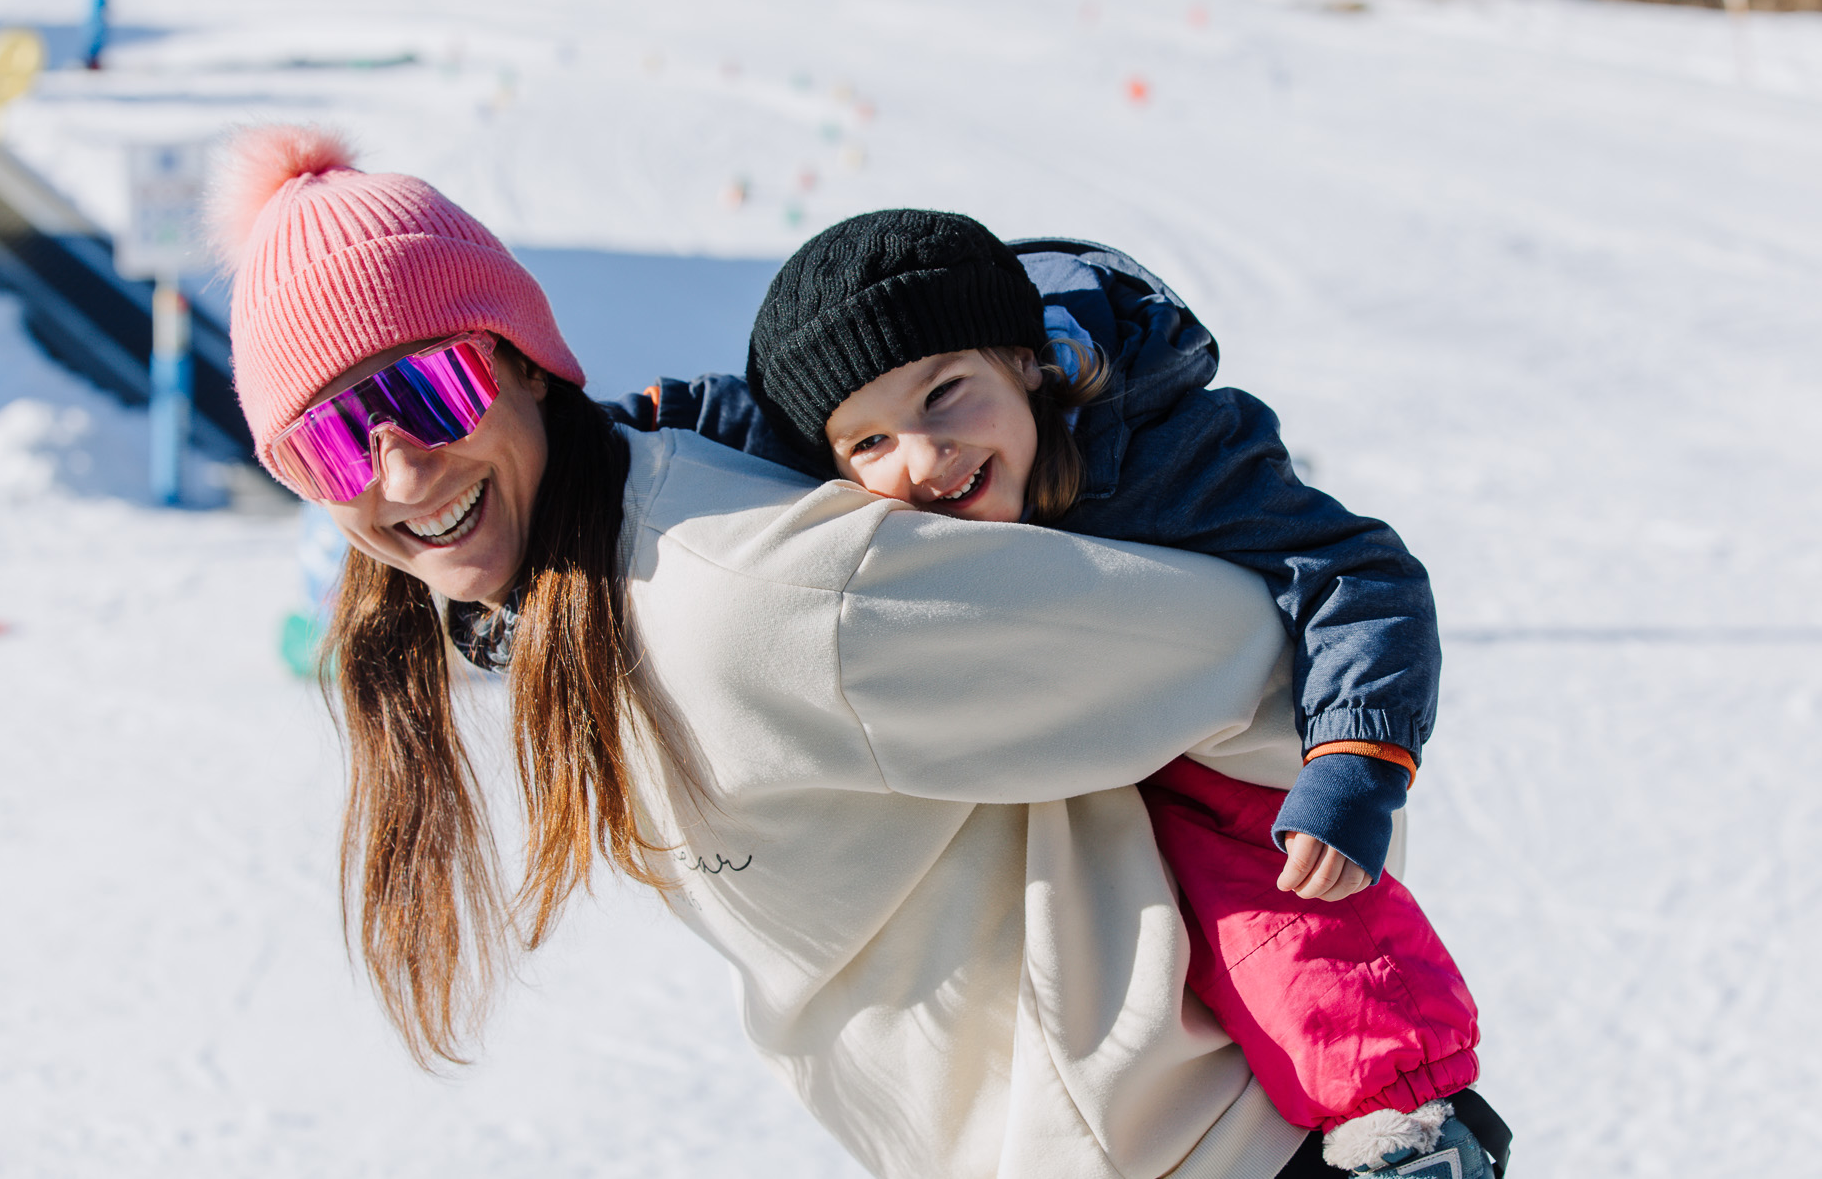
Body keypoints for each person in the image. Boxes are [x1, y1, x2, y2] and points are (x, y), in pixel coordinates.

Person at [216, 126, 1500, 1179]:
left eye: (430, 396)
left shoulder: (748, 598)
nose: (397, 471)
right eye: (330, 446)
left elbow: (1238, 646)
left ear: (529, 366)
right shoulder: (554, 582)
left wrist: (1347, 765)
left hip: (1202, 1144)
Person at [636, 211, 1499, 1176]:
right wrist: (627, 431)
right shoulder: (860, 463)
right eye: (871, 441)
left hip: (1217, 744)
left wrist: (1353, 762)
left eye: (948, 394)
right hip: (1077, 734)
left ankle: (1408, 1125)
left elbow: (1355, 572)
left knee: (1279, 895)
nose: (921, 460)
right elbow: (740, 420)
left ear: (1027, 360)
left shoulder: (1163, 448)